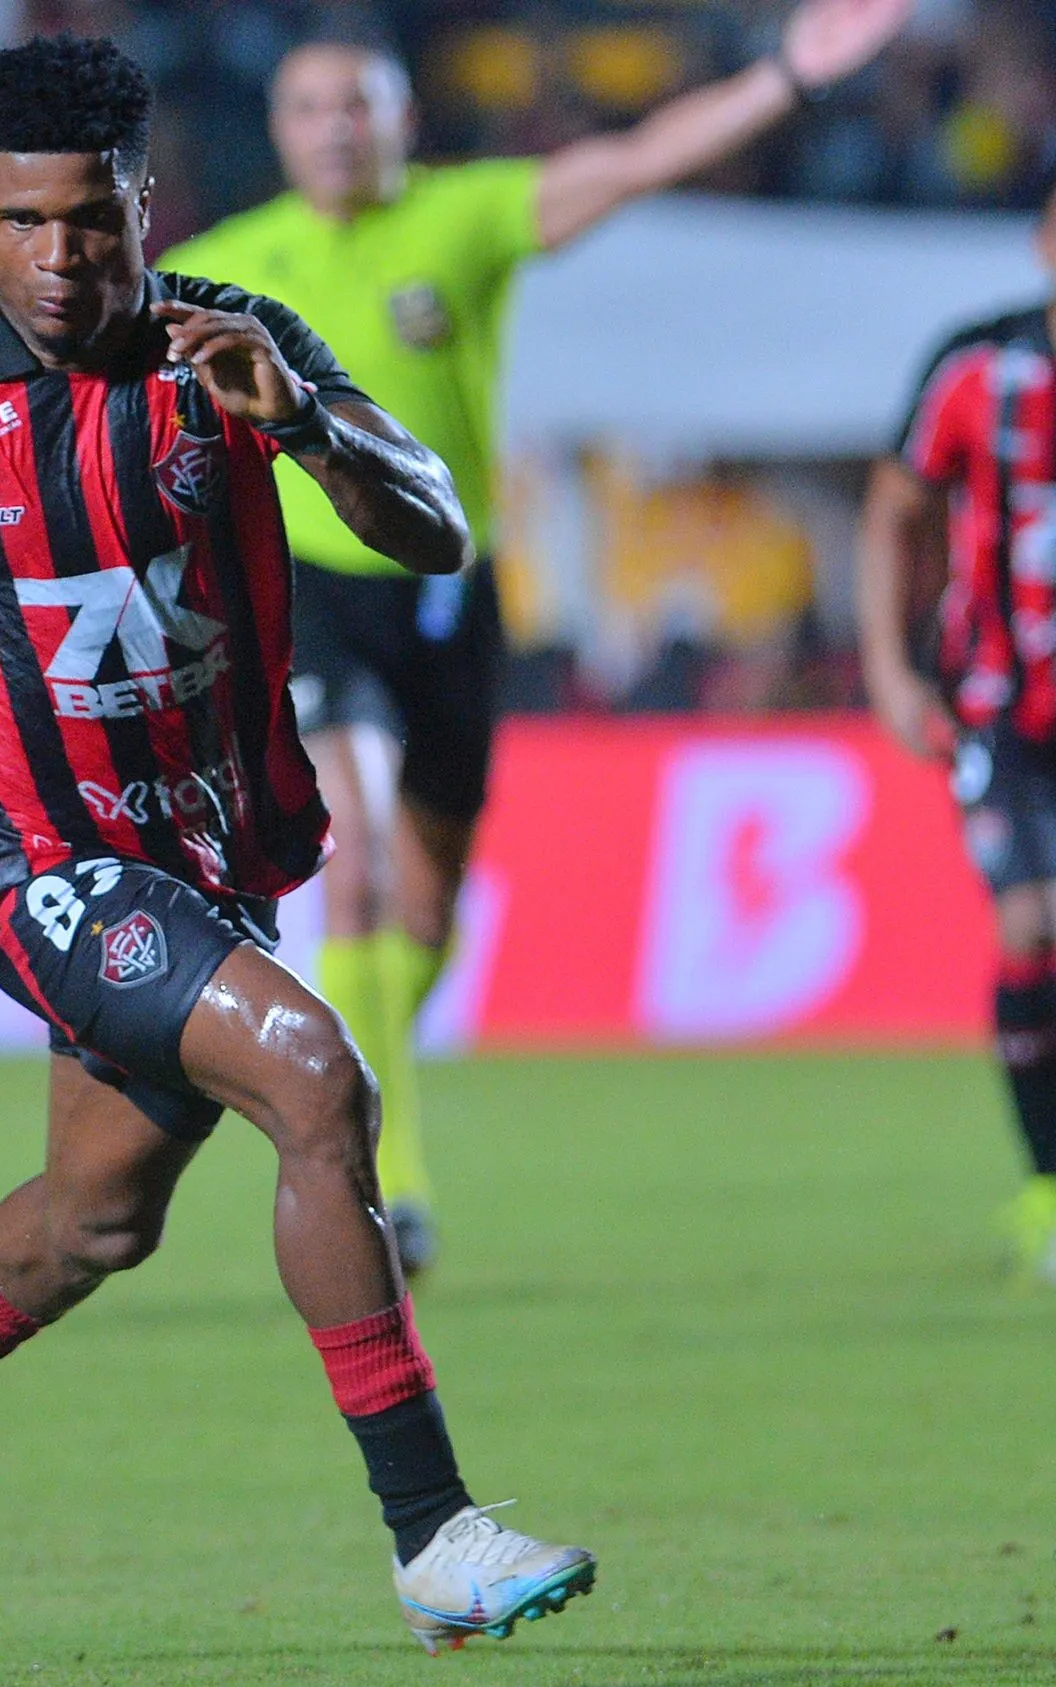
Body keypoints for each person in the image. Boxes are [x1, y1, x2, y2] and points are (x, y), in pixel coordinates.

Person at [0, 36, 592, 1652]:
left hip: (209, 860)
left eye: (92, 220)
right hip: (34, 865)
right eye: (25, 224)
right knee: (317, 1076)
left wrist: (310, 427)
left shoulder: (235, 347)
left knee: (98, 1219)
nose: (61, 258)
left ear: (143, 202)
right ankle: (435, 1535)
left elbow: (435, 521)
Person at [162, 0, 914, 1275]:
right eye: (309, 109)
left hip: (450, 587)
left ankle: (378, 1070)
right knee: (365, 867)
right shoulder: (230, 263)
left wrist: (787, 75)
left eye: (360, 105)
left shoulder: (464, 218)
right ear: (278, 132)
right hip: (312, 593)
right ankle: (384, 1174)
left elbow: (634, 161)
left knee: (433, 891)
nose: (336, 131)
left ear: (403, 121)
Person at [858, 175, 1056, 1288]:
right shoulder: (979, 369)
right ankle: (1047, 1188)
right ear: (1042, 239)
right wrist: (890, 668)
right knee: (1031, 923)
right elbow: (896, 510)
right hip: (1002, 703)